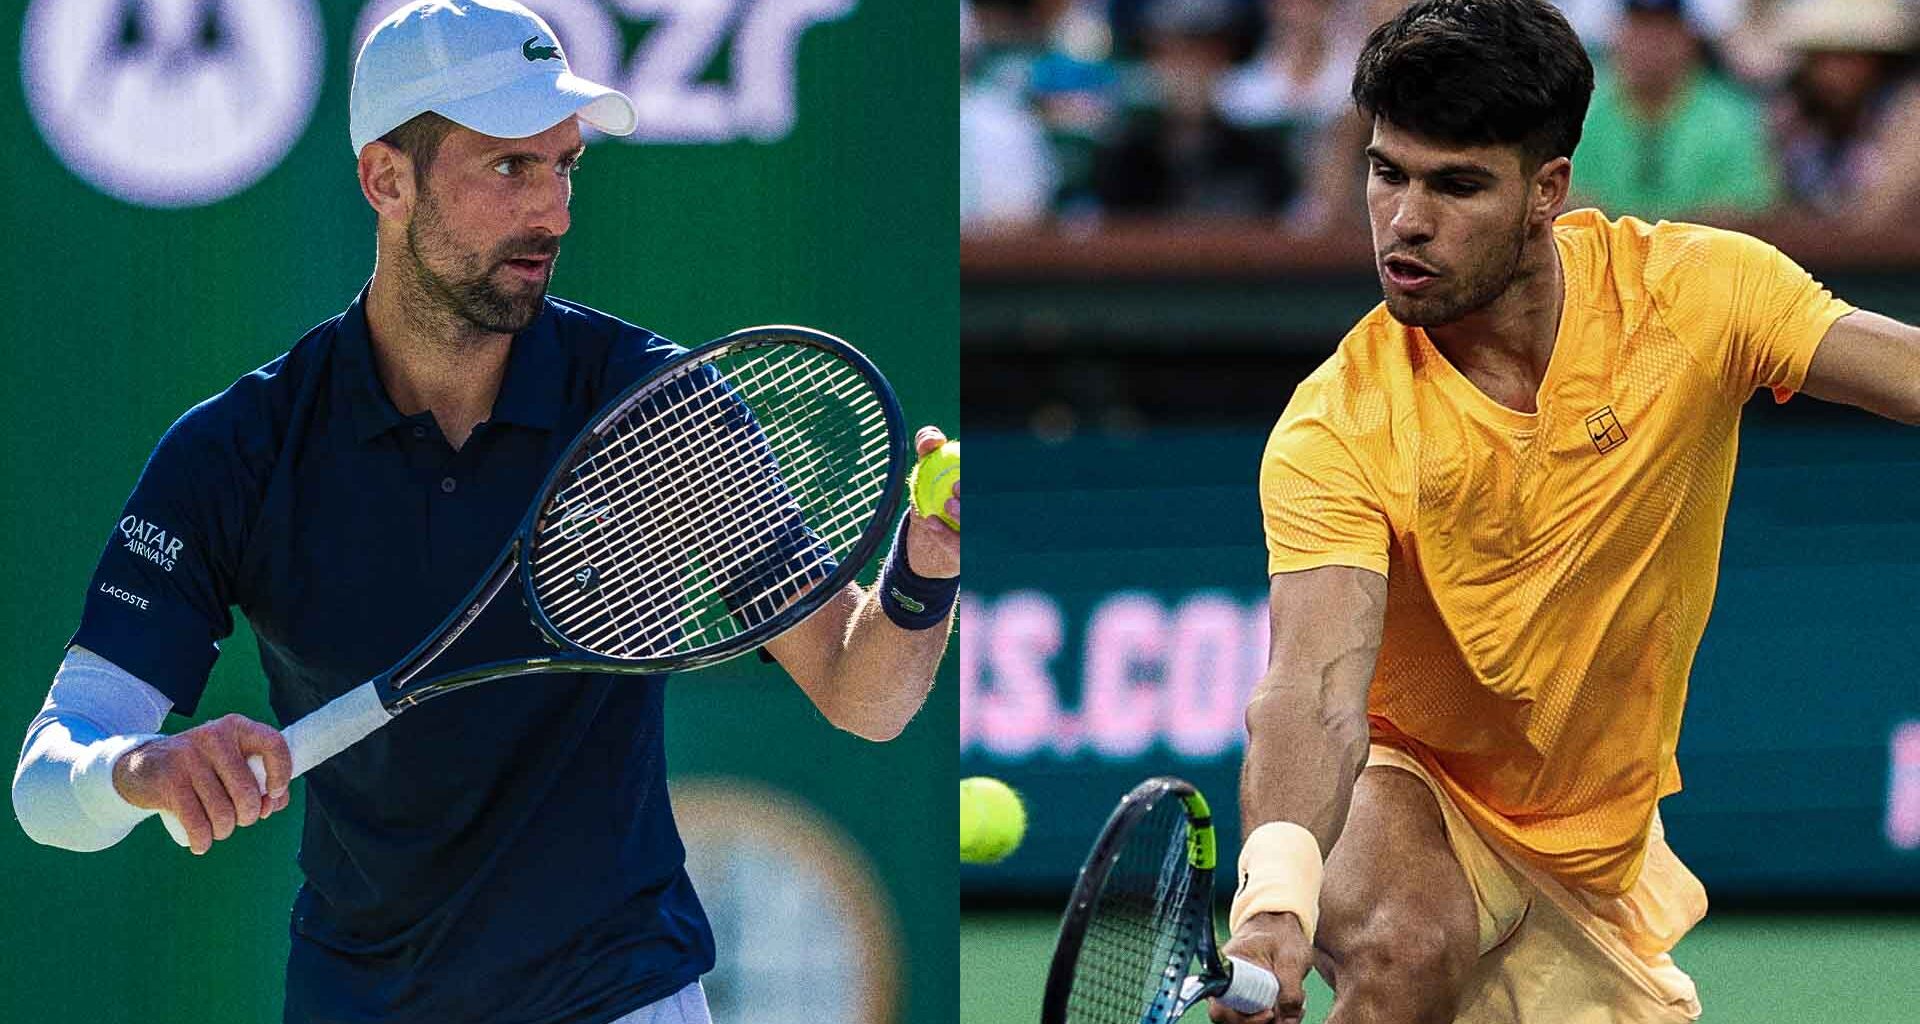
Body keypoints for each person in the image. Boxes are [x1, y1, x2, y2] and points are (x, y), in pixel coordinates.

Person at [9, 3, 959, 1023]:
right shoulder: (234, 450)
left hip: (620, 994)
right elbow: (48, 779)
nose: (552, 209)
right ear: (387, 179)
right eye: (510, 167)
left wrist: (924, 573)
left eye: (565, 166)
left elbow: (866, 695)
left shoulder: (654, 408)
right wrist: (141, 765)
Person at [1214, 1, 1917, 1022]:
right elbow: (1314, 689)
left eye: (1456, 184)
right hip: (1411, 792)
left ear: (1547, 191)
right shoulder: (1337, 425)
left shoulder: (1697, 295)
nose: (1406, 219)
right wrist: (1277, 898)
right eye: (1387, 171)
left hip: (1590, 859)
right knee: (1406, 947)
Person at [1571, 0, 1777, 221]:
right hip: (1600, 251)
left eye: (1663, 33)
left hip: (1703, 252)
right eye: (1639, 30)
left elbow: (1747, 208)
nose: (1649, 45)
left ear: (1689, 40)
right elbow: (1568, 200)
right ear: (1617, 36)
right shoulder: (1583, 111)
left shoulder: (1732, 118)